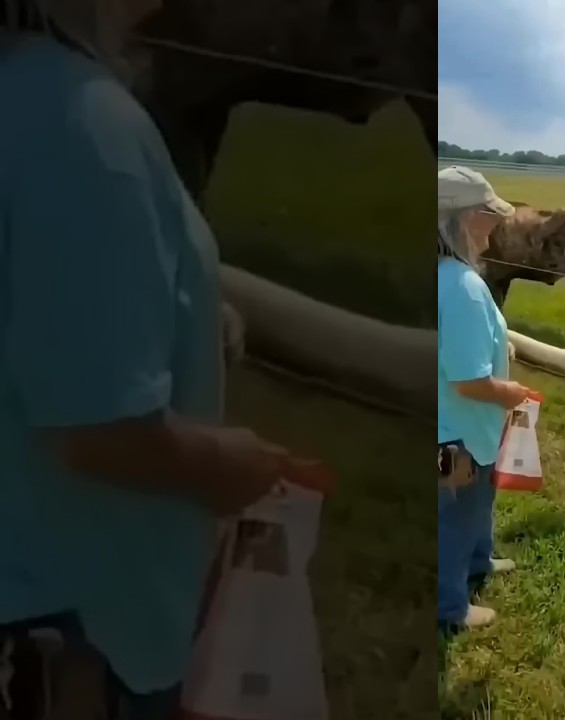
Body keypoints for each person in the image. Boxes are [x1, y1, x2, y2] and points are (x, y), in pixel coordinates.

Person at [0, 0, 310, 716]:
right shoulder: (81, 123)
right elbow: (100, 432)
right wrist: (231, 464)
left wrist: (190, 314)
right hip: (74, 639)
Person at [437, 166, 535, 631]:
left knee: (477, 503)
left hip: (457, 429)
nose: (497, 224)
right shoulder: (463, 288)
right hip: (460, 434)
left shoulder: (444, 275)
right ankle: (450, 607)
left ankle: (480, 561)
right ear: (464, 218)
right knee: (455, 518)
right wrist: (512, 392)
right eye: (489, 215)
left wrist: (501, 344)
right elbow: (468, 382)